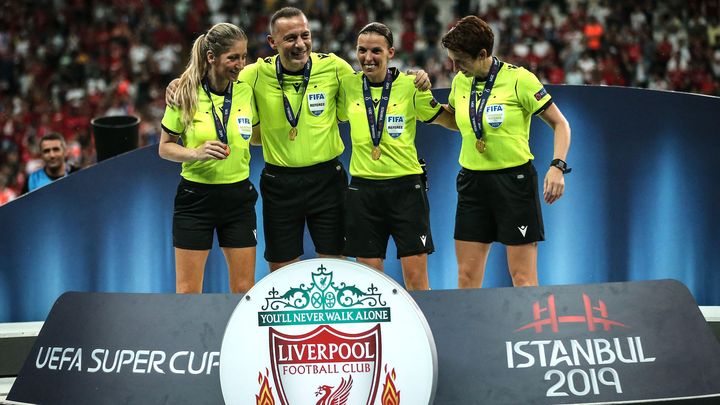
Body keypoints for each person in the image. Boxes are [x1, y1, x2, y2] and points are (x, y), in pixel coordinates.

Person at [441, 16, 572, 288]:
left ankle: (528, 333)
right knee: (466, 279)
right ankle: (472, 332)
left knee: (523, 279)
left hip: (514, 184)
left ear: (483, 54)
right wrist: (425, 108)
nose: (455, 68)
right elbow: (457, 121)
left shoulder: (519, 80)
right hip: (472, 185)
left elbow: (560, 124)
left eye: (460, 60)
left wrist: (557, 166)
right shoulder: (460, 82)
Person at [337, 22, 457, 290]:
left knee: (416, 280)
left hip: (406, 190)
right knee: (370, 283)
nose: (368, 58)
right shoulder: (347, 86)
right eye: (362, 50)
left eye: (376, 51)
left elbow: (448, 121)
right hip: (363, 191)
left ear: (390, 52)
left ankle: (426, 332)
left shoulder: (411, 85)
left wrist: (462, 103)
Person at [158, 23, 259, 294]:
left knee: (243, 290)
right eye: (233, 58)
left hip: (238, 198)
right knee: (189, 292)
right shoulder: (185, 93)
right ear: (211, 57)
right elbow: (165, 147)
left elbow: (257, 135)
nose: (240, 64)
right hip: (195, 200)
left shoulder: (246, 90)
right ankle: (190, 339)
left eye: (243, 56)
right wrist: (195, 153)